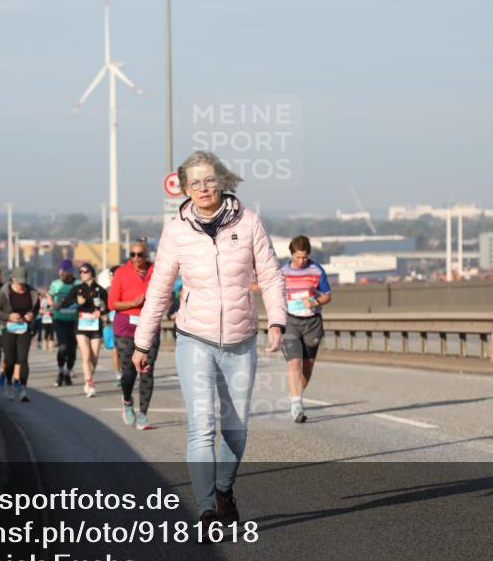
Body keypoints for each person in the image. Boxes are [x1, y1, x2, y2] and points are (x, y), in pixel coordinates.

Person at [132, 150, 286, 533]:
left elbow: (269, 274)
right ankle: (204, 512)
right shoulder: (176, 230)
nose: (202, 188)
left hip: (241, 340)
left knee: (235, 430)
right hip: (194, 339)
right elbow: (159, 288)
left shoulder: (248, 222)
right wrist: (142, 342)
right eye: (194, 183)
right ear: (185, 188)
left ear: (222, 182)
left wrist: (277, 320)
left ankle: (223, 489)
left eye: (209, 180)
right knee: (201, 425)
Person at [280, 235, 332, 423]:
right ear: (291, 254)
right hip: (291, 322)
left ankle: (296, 395)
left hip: (312, 323)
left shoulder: (316, 270)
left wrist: (314, 301)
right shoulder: (283, 272)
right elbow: (274, 295)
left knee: (307, 367)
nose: (302, 261)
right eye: (298, 257)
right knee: (294, 363)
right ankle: (296, 404)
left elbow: (327, 296)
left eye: (305, 257)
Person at [109, 240, 158, 429]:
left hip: (149, 326)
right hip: (125, 327)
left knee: (147, 370)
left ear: (147, 255)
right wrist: (133, 303)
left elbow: (165, 295)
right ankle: (127, 401)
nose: (136, 258)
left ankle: (143, 415)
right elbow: (112, 303)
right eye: (133, 255)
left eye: (140, 255)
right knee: (129, 371)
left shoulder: (156, 271)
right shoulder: (122, 272)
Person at [59, 262, 107, 398]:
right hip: (81, 325)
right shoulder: (77, 289)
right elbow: (65, 302)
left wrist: (103, 311)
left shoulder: (100, 290)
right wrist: (76, 301)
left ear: (91, 273)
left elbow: (110, 305)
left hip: (95, 326)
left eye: (85, 271)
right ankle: (89, 383)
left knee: (94, 357)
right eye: (80, 271)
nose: (82, 274)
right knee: (85, 355)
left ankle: (89, 377)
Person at [0, 266, 40, 402]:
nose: (20, 284)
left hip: (24, 329)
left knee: (23, 359)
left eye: (23, 281)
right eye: (18, 281)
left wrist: (32, 314)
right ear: (12, 278)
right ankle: (9, 383)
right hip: (8, 329)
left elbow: (36, 309)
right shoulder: (5, 293)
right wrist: (9, 316)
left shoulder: (32, 293)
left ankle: (24, 390)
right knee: (10, 360)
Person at [49, 260, 80, 386]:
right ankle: (60, 371)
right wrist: (52, 303)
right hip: (59, 319)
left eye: (65, 270)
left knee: (72, 349)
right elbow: (49, 295)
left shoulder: (77, 284)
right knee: (63, 347)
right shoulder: (55, 284)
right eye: (61, 270)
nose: (62, 272)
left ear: (71, 271)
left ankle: (67, 374)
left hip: (74, 321)